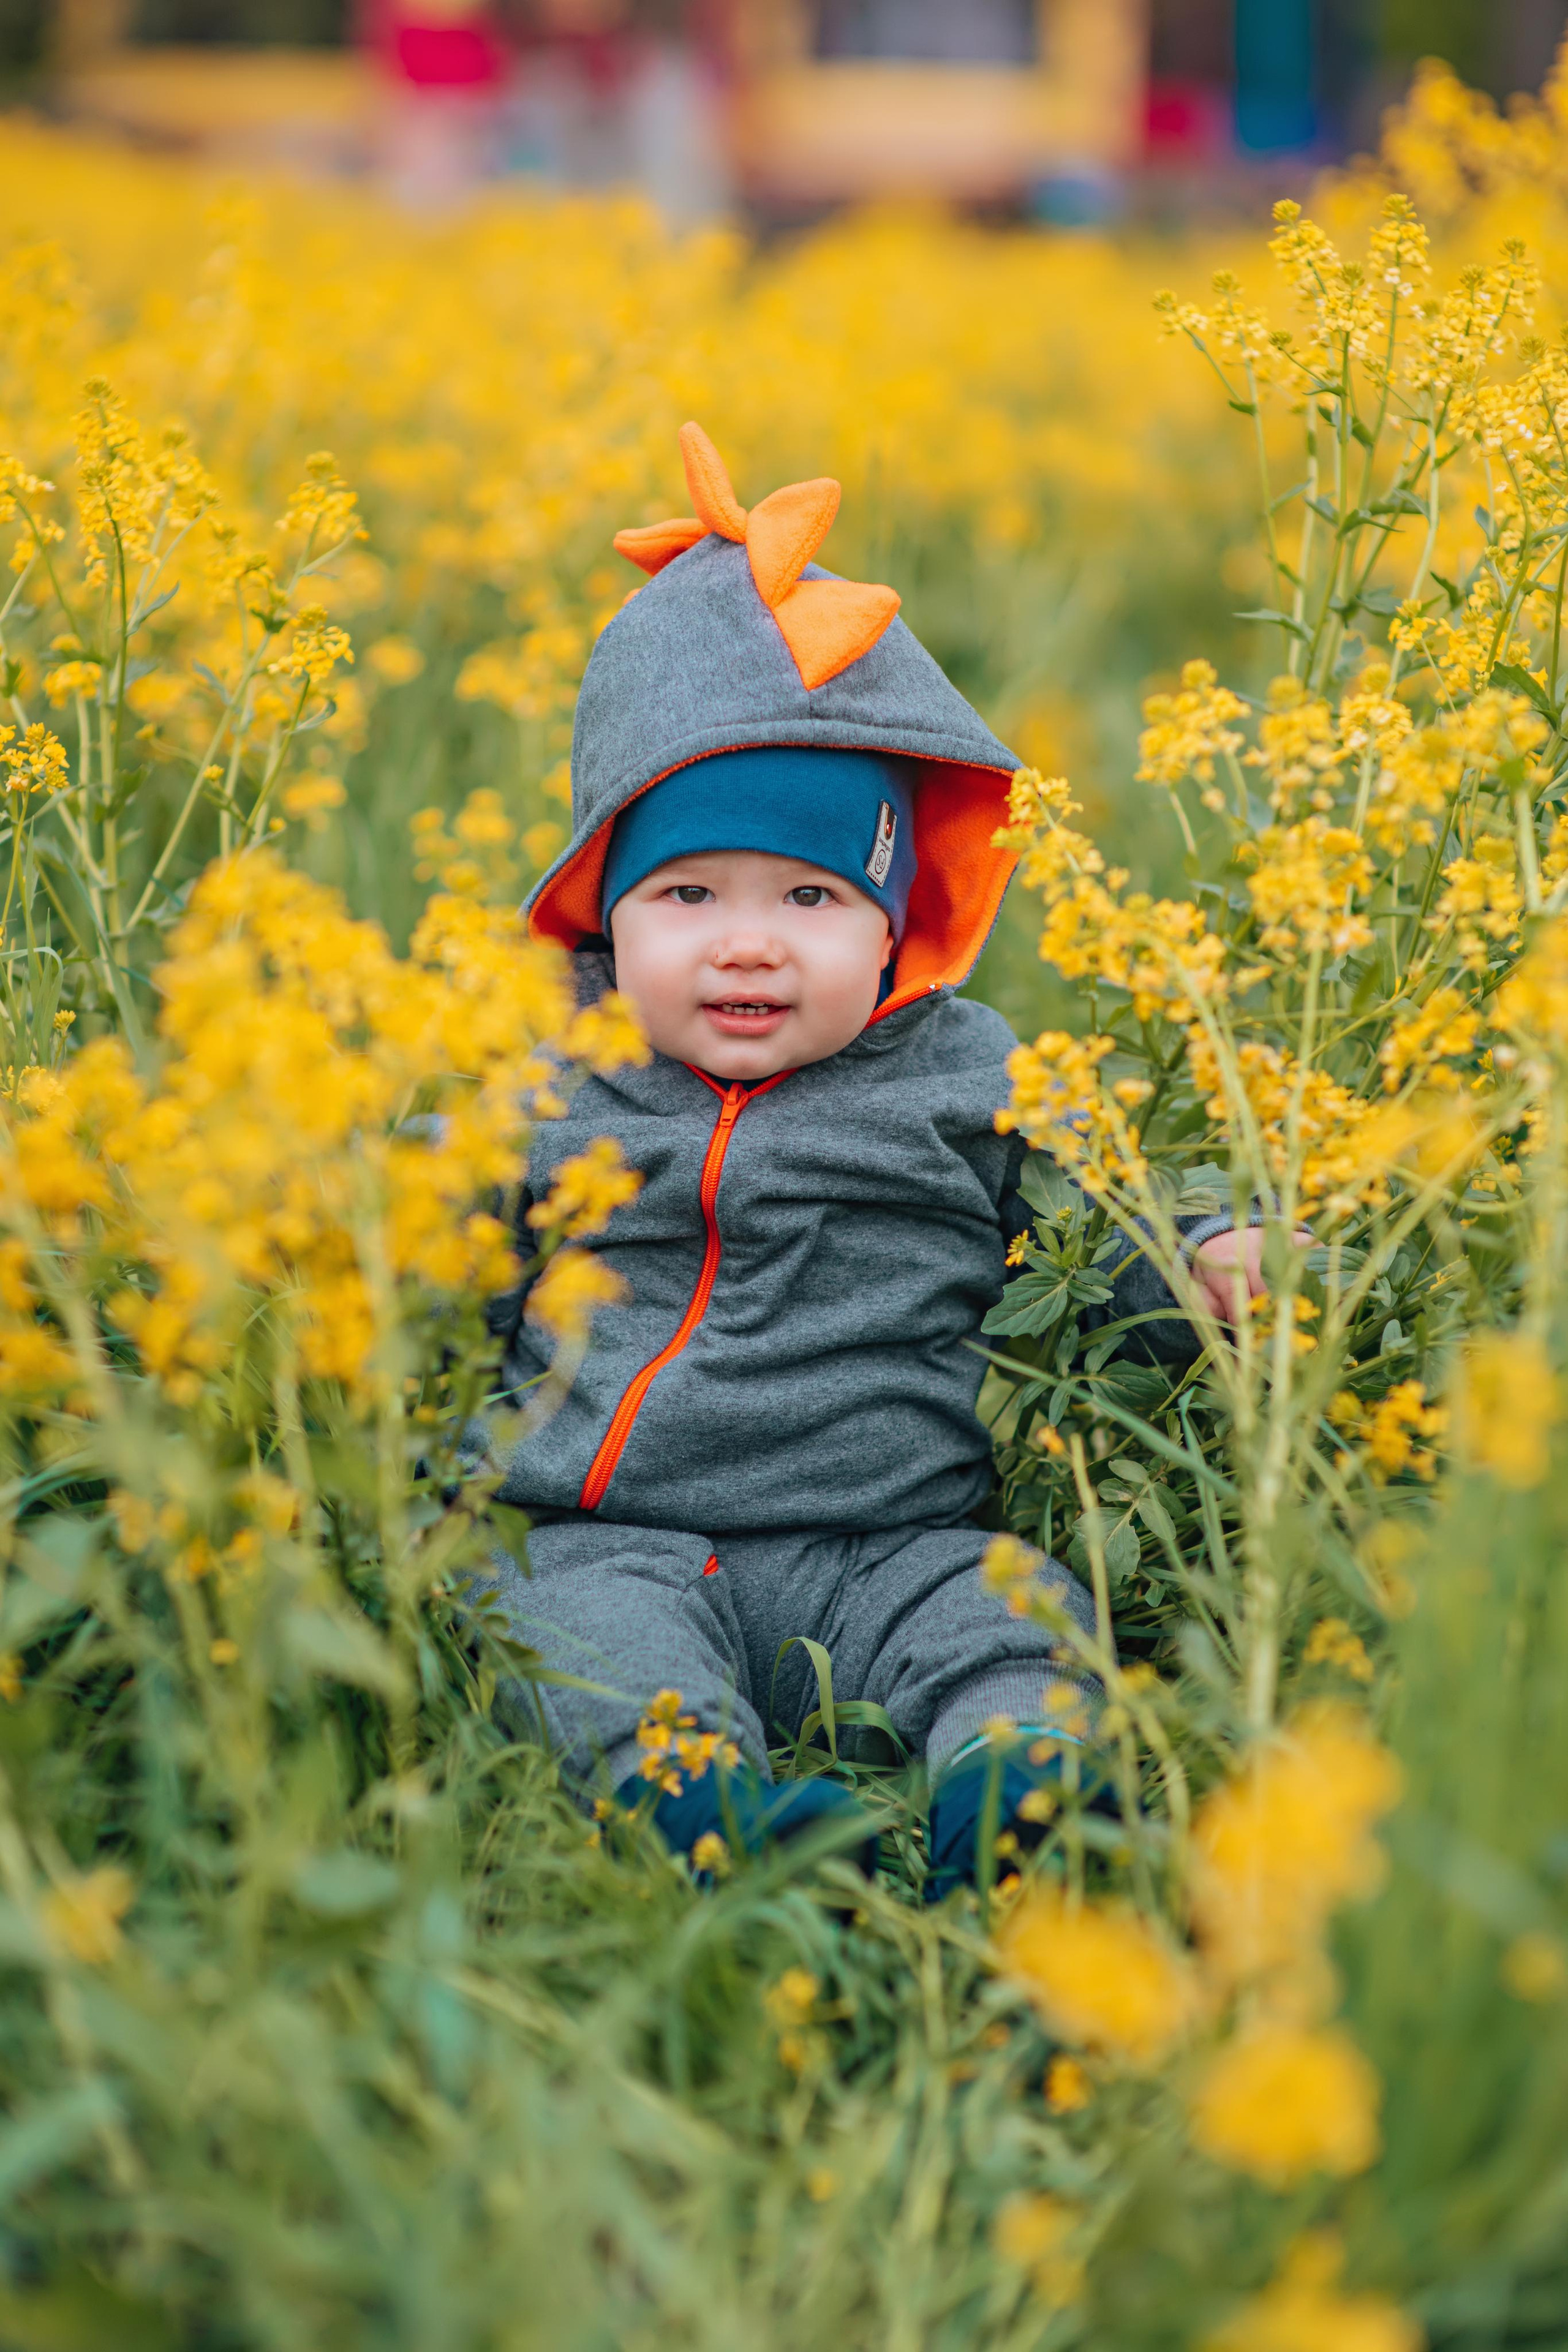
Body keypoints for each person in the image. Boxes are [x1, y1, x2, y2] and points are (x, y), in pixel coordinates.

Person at [481, 424, 1276, 1893]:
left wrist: (1198, 1258)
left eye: (808, 895)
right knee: (564, 1641)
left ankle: (1022, 1787)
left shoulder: (958, 1072)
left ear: (892, 928)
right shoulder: (546, 1074)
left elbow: (1086, 1199)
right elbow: (429, 1222)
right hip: (613, 1532)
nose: (746, 940)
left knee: (1012, 1615)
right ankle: (708, 1820)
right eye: (685, 892)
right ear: (604, 915)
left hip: (884, 1533)